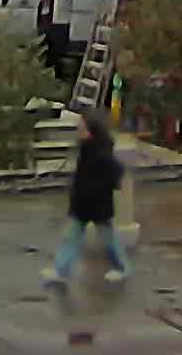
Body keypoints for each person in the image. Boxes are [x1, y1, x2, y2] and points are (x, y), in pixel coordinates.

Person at [42, 111, 131, 288]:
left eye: (81, 126)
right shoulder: (86, 148)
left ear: (91, 130)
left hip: (98, 205)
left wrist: (109, 186)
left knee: (108, 240)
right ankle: (61, 271)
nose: (78, 129)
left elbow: (116, 171)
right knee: (71, 238)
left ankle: (122, 268)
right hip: (83, 204)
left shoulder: (100, 152)